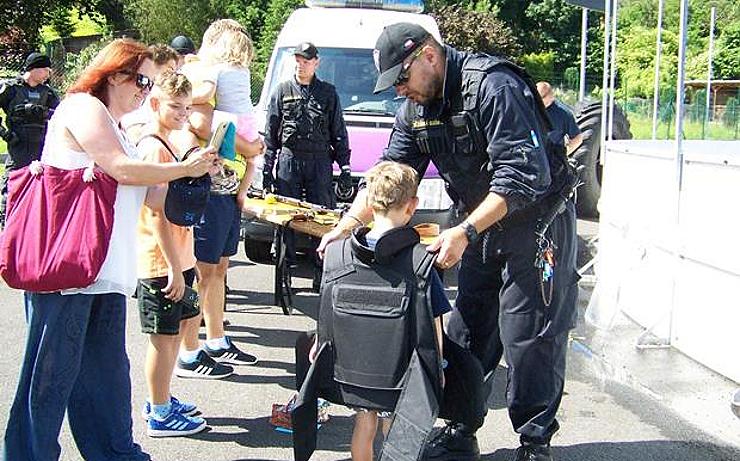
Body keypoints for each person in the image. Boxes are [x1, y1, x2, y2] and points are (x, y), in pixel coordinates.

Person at [318, 23, 579, 461]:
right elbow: (392, 173)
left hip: (535, 224)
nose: (400, 92)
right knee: (467, 330)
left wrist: (465, 231)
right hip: (477, 226)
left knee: (530, 336)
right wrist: (347, 225)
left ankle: (535, 442)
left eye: (401, 79)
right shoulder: (415, 110)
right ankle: (462, 427)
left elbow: (523, 176)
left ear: (428, 57)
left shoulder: (493, 87)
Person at [2, 38, 218, 461]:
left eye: (149, 84)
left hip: (101, 274)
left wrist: (198, 175)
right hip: (68, 275)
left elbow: (151, 197)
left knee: (106, 381)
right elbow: (119, 170)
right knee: (49, 380)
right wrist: (181, 168)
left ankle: (117, 454)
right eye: (141, 80)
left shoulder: (121, 127)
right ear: (114, 74)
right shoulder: (83, 107)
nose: (145, 91)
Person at [301, 161, 449, 461]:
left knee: (363, 425)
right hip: (400, 370)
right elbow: (434, 322)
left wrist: (319, 343)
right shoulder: (420, 262)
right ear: (413, 206)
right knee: (397, 431)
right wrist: (438, 366)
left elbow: (326, 309)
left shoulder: (338, 254)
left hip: (354, 369)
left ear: (369, 201)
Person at [176, 19, 263, 376]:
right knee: (202, 270)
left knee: (219, 269)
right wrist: (248, 146)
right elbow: (199, 123)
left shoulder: (217, 77)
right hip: (207, 187)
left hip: (226, 186)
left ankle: (216, 339)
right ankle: (189, 350)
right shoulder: (204, 75)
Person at [135, 71, 213, 437]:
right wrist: (172, 268)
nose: (183, 113)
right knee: (163, 341)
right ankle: (159, 413)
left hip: (180, 259)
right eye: (175, 107)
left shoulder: (172, 142)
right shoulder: (154, 147)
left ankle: (161, 396)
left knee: (180, 328)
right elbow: (154, 213)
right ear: (155, 104)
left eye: (186, 107)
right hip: (161, 264)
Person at [263, 41, 351, 291]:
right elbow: (271, 134)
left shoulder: (328, 93)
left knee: (321, 215)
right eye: (298, 61)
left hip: (320, 161)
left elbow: (339, 133)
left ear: (316, 63)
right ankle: (285, 269)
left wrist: (345, 168)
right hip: (290, 160)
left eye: (307, 61)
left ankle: (320, 271)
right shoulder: (282, 91)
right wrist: (267, 169)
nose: (301, 66)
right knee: (286, 217)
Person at [0, 52, 60, 226]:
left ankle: (36, 223)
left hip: (41, 147)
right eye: (46, 70)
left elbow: (62, 115)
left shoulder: (47, 93)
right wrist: (6, 134)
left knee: (42, 185)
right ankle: (8, 223)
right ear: (35, 69)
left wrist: (44, 113)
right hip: (17, 145)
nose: (48, 75)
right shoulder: (11, 89)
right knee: (12, 183)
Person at [536, 81, 583, 155]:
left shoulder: (563, 113)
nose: (537, 101)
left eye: (541, 98)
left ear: (551, 96)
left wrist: (562, 155)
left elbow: (577, 138)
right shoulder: (529, 107)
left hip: (551, 159)